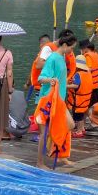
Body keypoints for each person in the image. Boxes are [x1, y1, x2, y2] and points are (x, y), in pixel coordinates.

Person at [34, 32, 76, 168]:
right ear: (64, 45)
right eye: (71, 48)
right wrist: (51, 80)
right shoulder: (52, 58)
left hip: (59, 101)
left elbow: (61, 79)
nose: (72, 51)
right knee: (43, 133)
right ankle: (39, 162)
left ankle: (59, 154)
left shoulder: (61, 57)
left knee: (69, 125)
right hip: (48, 99)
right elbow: (41, 79)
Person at [67, 54, 93, 139]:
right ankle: (82, 128)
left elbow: (76, 85)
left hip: (78, 100)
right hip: (85, 99)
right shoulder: (87, 73)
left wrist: (65, 86)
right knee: (81, 115)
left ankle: (79, 131)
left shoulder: (78, 74)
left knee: (78, 117)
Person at [80, 39, 98, 128]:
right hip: (95, 85)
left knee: (86, 106)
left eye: (81, 49)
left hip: (89, 85)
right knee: (87, 106)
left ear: (85, 48)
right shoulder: (95, 54)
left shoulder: (87, 56)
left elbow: (88, 69)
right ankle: (83, 124)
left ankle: (93, 121)